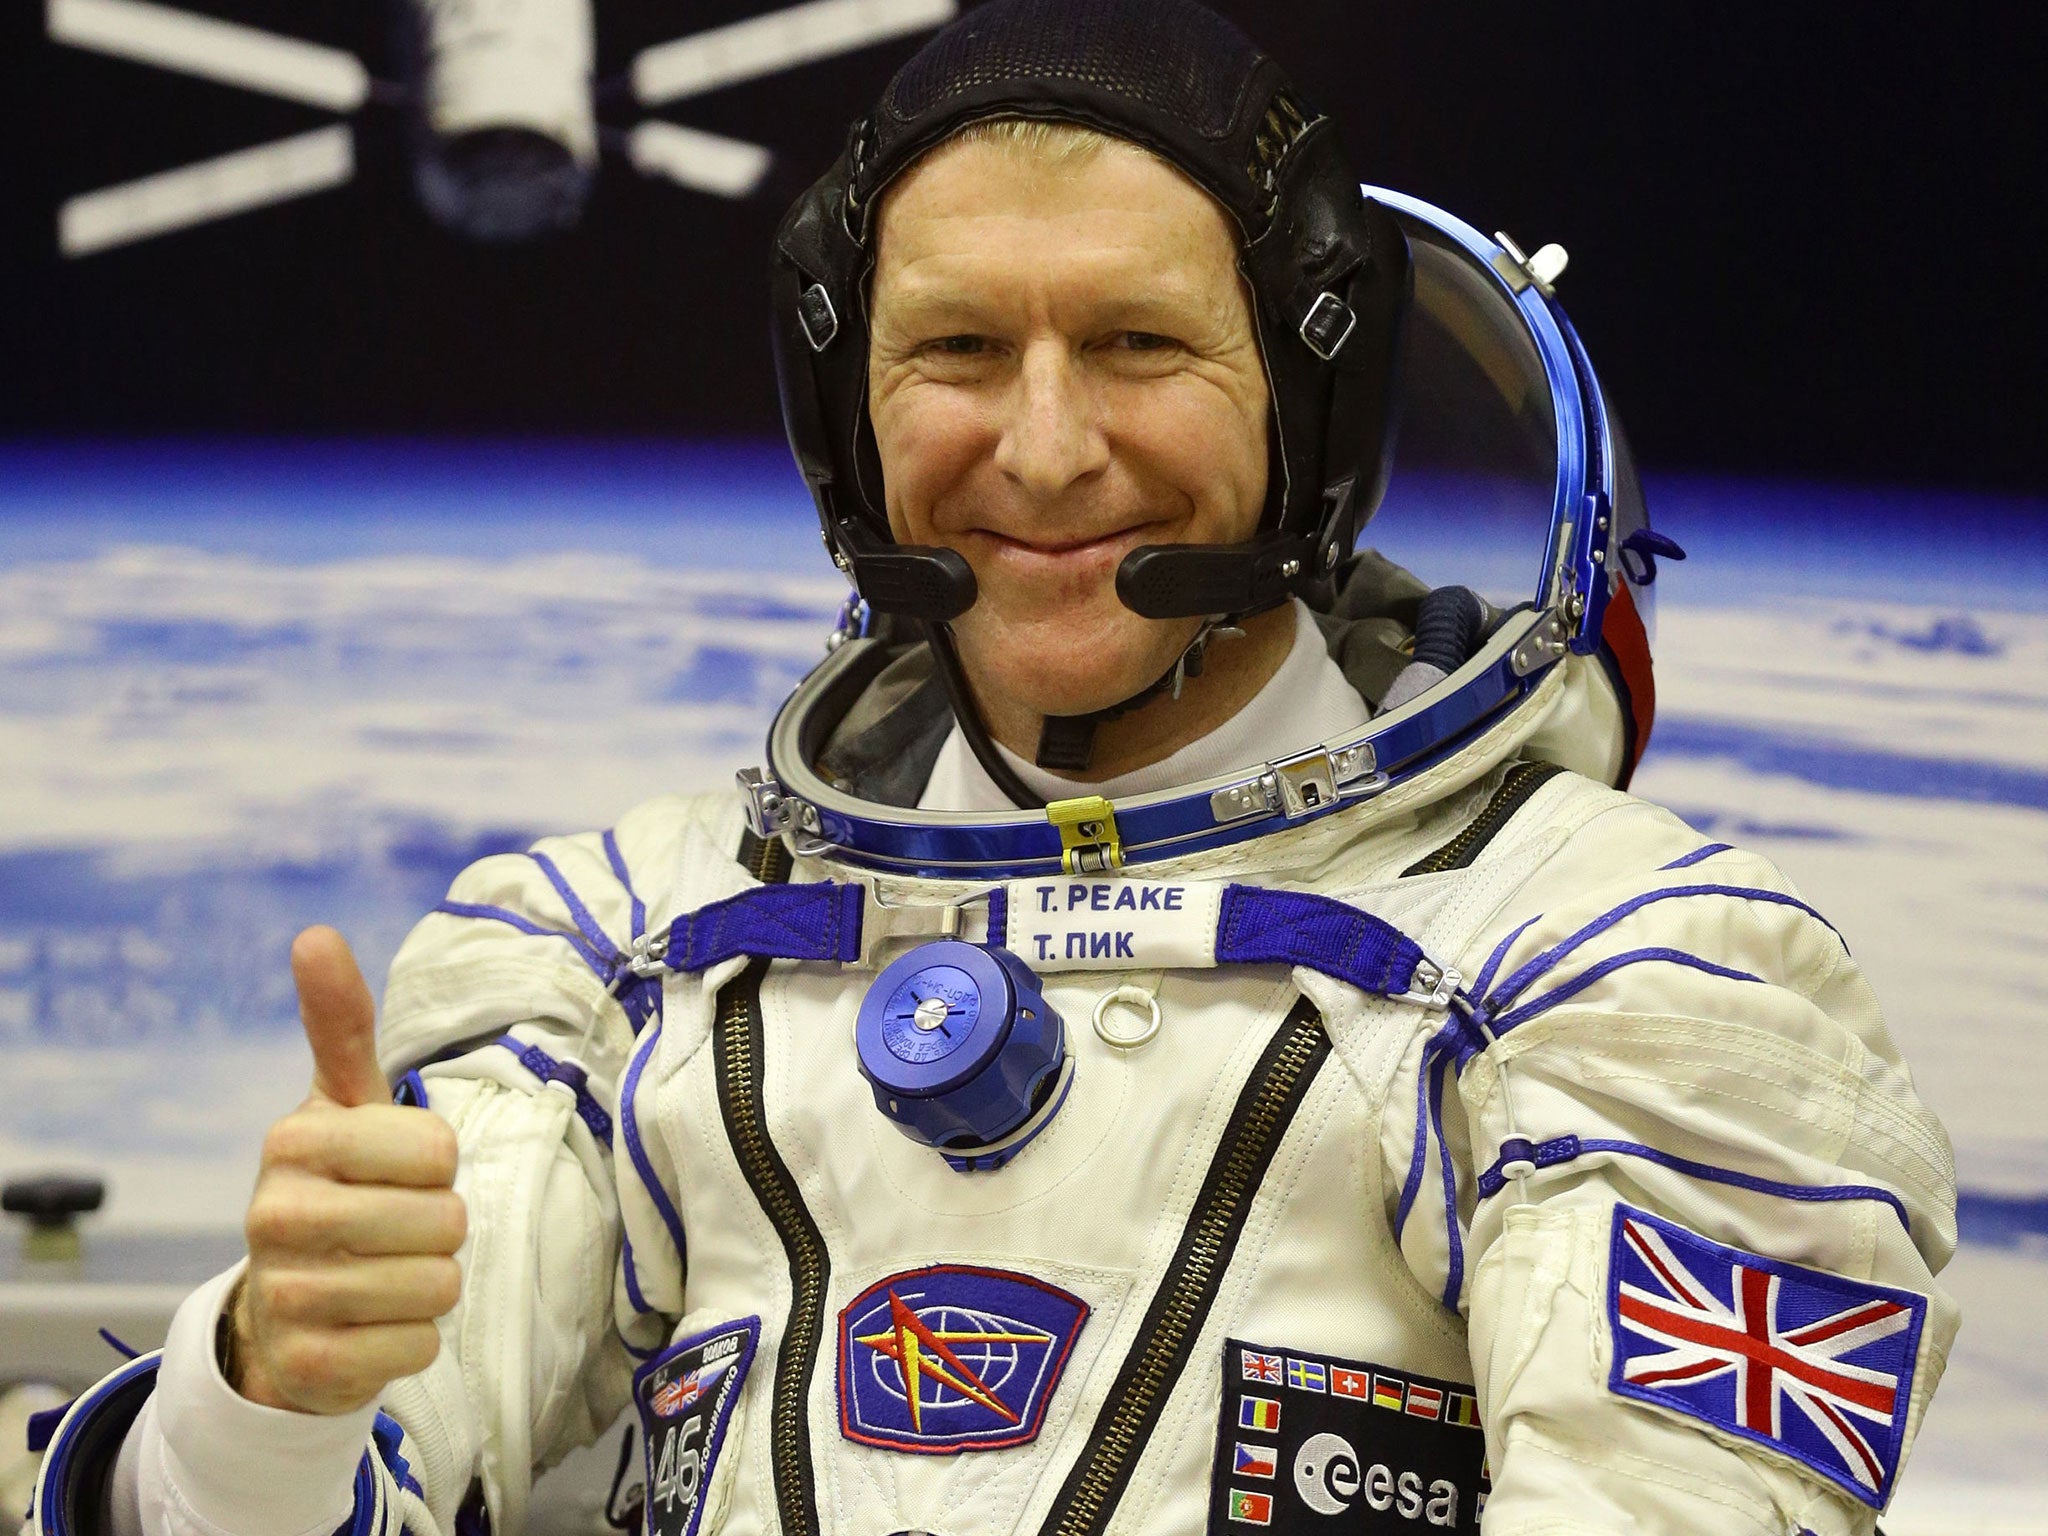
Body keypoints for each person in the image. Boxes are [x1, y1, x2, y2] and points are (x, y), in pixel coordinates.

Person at [32, 2, 1959, 1534]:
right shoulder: (618, 957)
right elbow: (297, 1508)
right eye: (956, 348)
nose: (1041, 453)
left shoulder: (1621, 975)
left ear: (1309, 405)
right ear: (842, 417)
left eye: (1136, 343)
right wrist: (269, 1391)